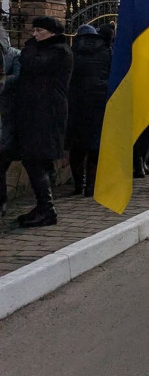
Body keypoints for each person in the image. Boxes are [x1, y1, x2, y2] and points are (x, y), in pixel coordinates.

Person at [13, 16, 74, 228]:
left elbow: (31, 64)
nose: (34, 34)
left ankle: (47, 209)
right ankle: (43, 206)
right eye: (34, 30)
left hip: (47, 115)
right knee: (35, 160)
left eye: (39, 30)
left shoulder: (59, 52)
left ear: (52, 33)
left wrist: (28, 48)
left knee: (36, 158)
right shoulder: (45, 49)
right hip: (37, 113)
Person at [66, 24, 111, 197]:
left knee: (76, 147)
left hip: (75, 105)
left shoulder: (71, 52)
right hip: (99, 105)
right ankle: (91, 186)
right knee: (95, 146)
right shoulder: (106, 52)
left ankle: (79, 184)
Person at [0, 27, 22, 216]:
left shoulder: (15, 55)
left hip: (7, 110)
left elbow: (19, 77)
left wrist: (3, 80)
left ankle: (2, 202)